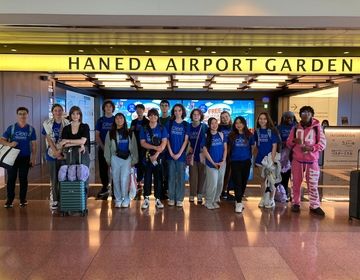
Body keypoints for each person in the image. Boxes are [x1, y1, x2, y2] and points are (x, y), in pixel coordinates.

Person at [287, 106, 326, 216]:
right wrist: (294, 141)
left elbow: (323, 144)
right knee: (295, 183)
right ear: (300, 115)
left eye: (308, 112)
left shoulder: (317, 128)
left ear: (312, 114)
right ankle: (295, 203)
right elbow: (288, 143)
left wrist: (311, 148)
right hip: (297, 160)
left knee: (313, 184)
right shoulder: (295, 128)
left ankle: (314, 205)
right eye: (303, 112)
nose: (306, 114)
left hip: (312, 161)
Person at [1, 107, 37, 208]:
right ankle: (9, 200)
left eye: (24, 114)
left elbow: (34, 145)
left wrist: (33, 158)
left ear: (27, 115)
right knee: (11, 179)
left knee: (23, 179)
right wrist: (10, 144)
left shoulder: (31, 129)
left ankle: (22, 199)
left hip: (25, 157)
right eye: (20, 114)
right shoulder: (11, 128)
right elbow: (2, 140)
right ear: (17, 115)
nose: (22, 116)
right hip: (12, 158)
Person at [104, 113, 138, 208]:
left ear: (124, 120)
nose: (119, 120)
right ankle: (118, 199)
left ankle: (126, 198)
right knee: (116, 179)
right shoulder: (110, 133)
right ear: (115, 120)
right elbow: (107, 147)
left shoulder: (130, 132)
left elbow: (134, 147)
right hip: (115, 158)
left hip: (127, 159)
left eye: (121, 118)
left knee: (124, 180)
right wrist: (108, 160)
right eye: (117, 118)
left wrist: (134, 160)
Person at [42, 104, 70, 211]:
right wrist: (55, 152)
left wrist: (61, 152)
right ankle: (55, 200)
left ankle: (63, 199)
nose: (58, 112)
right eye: (55, 110)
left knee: (64, 177)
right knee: (54, 179)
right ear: (52, 112)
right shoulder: (47, 123)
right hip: (51, 154)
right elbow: (48, 138)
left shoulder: (67, 123)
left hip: (64, 154)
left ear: (63, 112)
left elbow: (68, 138)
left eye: (60, 110)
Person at [139, 108, 168, 209]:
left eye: (155, 115)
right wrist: (154, 148)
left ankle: (158, 199)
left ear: (157, 116)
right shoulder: (144, 128)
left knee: (158, 178)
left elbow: (164, 143)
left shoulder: (161, 128)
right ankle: (146, 199)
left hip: (158, 157)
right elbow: (142, 143)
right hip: (147, 157)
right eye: (151, 115)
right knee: (147, 178)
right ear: (148, 117)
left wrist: (155, 155)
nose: (153, 117)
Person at [228, 116, 255, 213]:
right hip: (235, 161)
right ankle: (239, 202)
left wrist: (249, 157)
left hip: (246, 161)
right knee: (237, 181)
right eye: (236, 123)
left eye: (240, 123)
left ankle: (238, 198)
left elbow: (252, 147)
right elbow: (229, 148)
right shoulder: (231, 135)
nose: (238, 125)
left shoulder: (249, 135)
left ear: (244, 124)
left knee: (244, 182)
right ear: (234, 125)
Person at [254, 112, 279, 209]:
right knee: (262, 180)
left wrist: (271, 160)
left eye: (264, 119)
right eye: (260, 118)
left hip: (270, 160)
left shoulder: (272, 131)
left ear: (267, 120)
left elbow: (274, 146)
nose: (262, 120)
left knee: (271, 181)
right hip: (260, 159)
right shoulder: (257, 131)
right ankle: (263, 198)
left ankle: (271, 199)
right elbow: (256, 145)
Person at [60, 106, 90, 185]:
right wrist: (80, 143)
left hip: (83, 153)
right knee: (71, 174)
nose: (75, 116)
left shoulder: (85, 126)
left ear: (80, 115)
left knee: (83, 174)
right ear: (70, 115)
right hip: (70, 154)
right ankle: (73, 194)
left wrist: (68, 141)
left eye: (77, 114)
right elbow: (64, 144)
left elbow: (83, 140)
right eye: (73, 114)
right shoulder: (66, 128)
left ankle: (83, 195)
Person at [166, 103, 189, 207]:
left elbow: (186, 141)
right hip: (170, 155)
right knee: (171, 177)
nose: (177, 112)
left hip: (181, 156)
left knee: (180, 178)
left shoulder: (186, 124)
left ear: (182, 112)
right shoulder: (169, 123)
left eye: (179, 110)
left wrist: (179, 153)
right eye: (175, 111)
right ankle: (171, 197)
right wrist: (171, 152)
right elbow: (166, 139)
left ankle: (179, 199)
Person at [203, 117, 227, 210]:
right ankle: (208, 201)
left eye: (216, 123)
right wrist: (213, 163)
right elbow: (205, 151)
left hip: (221, 164)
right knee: (212, 183)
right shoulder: (206, 136)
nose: (214, 125)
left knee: (220, 183)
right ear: (209, 125)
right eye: (212, 123)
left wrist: (223, 161)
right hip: (211, 164)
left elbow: (225, 149)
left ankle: (215, 200)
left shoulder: (221, 135)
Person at [95, 100, 115, 199]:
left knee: (115, 168)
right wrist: (103, 147)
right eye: (106, 106)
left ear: (113, 108)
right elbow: (97, 136)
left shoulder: (116, 119)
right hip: (102, 148)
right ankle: (105, 186)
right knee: (103, 169)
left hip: (115, 150)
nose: (108, 108)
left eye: (110, 106)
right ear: (104, 108)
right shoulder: (100, 120)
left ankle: (115, 187)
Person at [130, 104, 149, 199]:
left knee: (143, 164)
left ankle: (144, 182)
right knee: (136, 165)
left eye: (140, 110)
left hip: (145, 147)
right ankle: (138, 183)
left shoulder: (147, 121)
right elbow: (131, 134)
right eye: (137, 110)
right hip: (135, 146)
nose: (139, 111)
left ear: (143, 110)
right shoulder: (133, 122)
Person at [277, 111, 297, 201]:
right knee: (284, 176)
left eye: (291, 117)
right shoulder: (279, 127)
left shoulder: (297, 127)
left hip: (295, 155)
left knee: (295, 178)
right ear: (283, 118)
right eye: (287, 117)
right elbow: (278, 141)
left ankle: (295, 196)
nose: (289, 119)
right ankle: (283, 194)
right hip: (284, 156)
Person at [188, 108, 207, 205]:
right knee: (193, 176)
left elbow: (208, 139)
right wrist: (188, 147)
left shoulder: (204, 127)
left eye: (198, 114)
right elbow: (186, 139)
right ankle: (192, 194)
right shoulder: (188, 126)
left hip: (202, 155)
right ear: (191, 116)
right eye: (194, 114)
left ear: (200, 116)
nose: (196, 116)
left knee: (202, 176)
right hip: (192, 155)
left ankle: (200, 195)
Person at [218, 111, 233, 200]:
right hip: (221, 152)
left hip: (232, 153)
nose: (225, 119)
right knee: (221, 172)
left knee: (229, 172)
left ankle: (225, 190)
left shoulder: (234, 127)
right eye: (223, 117)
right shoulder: (219, 127)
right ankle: (219, 190)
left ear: (229, 117)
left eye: (226, 116)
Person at [159, 99, 171, 200]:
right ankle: (161, 190)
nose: (164, 107)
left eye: (166, 105)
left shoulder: (172, 120)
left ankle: (167, 190)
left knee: (168, 171)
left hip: (170, 150)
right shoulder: (156, 119)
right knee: (160, 171)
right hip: (159, 150)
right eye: (162, 105)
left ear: (168, 107)